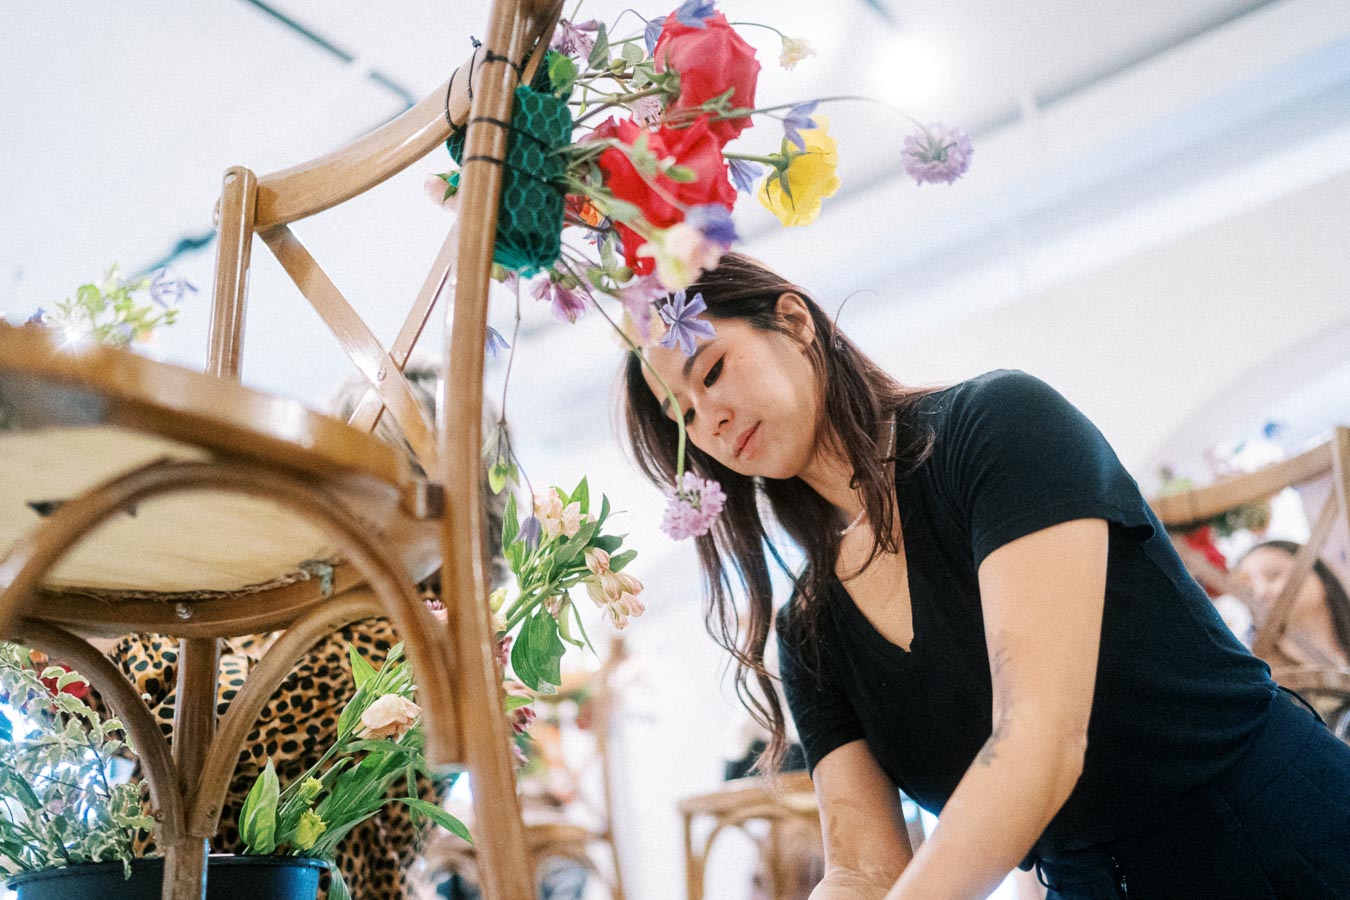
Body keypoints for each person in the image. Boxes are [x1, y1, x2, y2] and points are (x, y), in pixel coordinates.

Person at [622, 253, 1350, 899]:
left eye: (712, 371)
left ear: (794, 321)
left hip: (1275, 839)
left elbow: (1039, 738)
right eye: (684, 419)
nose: (709, 422)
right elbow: (864, 868)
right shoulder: (811, 626)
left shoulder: (997, 426)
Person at [1234, 539, 1350, 670]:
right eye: (1249, 590)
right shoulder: (1263, 677)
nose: (1260, 592)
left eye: (1273, 574)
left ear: (1318, 574)